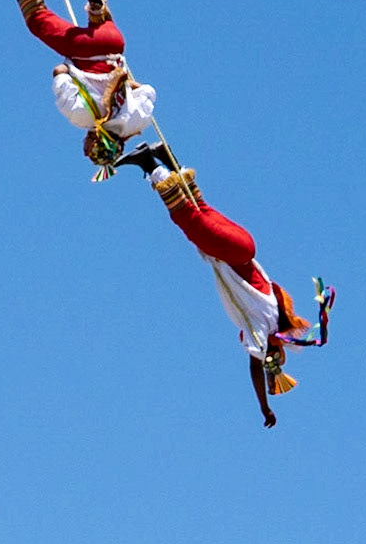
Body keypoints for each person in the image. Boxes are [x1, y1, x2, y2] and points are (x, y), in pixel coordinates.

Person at [114, 141, 332, 427]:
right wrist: (264, 407)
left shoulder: (272, 312)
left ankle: (164, 155)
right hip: (230, 251)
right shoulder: (261, 328)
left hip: (243, 246)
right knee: (186, 216)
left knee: (198, 208)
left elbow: (261, 360)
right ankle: (147, 162)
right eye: (270, 357)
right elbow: (255, 366)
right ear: (272, 349)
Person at [0, 0, 156, 177]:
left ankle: (96, 6)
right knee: (37, 20)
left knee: (100, 27)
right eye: (88, 150)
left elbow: (148, 91)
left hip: (115, 41)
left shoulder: (138, 121)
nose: (84, 149)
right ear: (97, 141)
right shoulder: (81, 117)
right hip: (86, 50)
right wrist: (68, 72)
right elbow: (59, 72)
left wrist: (126, 84)